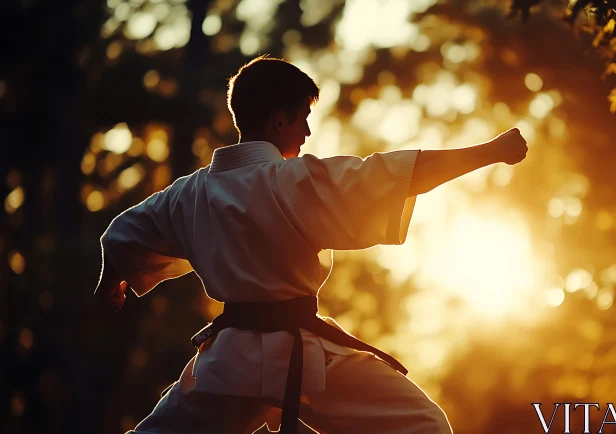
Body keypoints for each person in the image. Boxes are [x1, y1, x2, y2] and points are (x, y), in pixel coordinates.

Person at [94, 55, 528, 434]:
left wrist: (110, 282)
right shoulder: (295, 181)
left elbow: (122, 234)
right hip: (308, 360)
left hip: (226, 367)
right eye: (301, 117)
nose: (305, 131)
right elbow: (396, 174)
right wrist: (489, 151)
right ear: (278, 121)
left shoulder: (189, 194)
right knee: (422, 425)